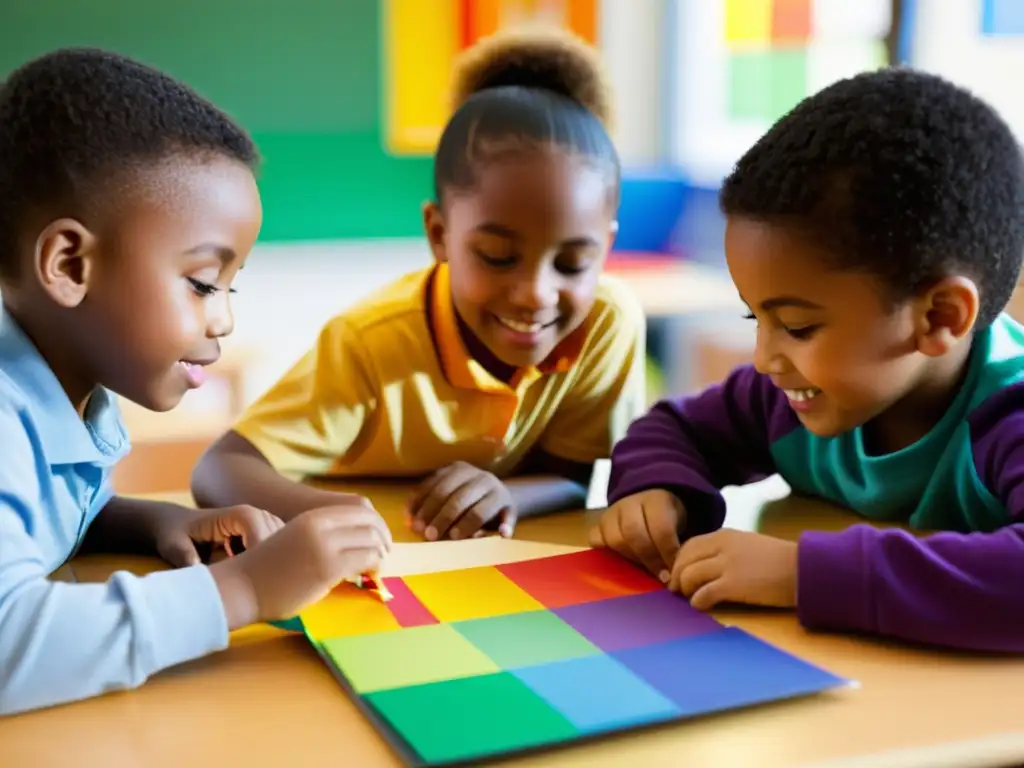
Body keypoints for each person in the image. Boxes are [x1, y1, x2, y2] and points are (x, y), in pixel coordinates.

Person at [0, 49, 390, 716]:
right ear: (69, 264)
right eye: (205, 284)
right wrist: (244, 590)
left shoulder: (73, 392)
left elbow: (47, 517)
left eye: (231, 287)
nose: (226, 317)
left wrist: (161, 521)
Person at [591, 67, 1024, 653]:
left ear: (939, 317)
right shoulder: (791, 396)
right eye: (755, 318)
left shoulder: (1008, 416)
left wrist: (802, 575)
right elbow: (675, 429)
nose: (766, 358)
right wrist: (655, 489)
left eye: (797, 326)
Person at [191, 27, 646, 542]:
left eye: (572, 263)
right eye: (498, 257)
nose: (536, 293)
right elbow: (220, 470)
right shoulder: (371, 342)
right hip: (375, 557)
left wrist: (507, 494)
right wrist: (352, 513)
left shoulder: (607, 323)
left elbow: (577, 473)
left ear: (605, 250)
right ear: (440, 235)